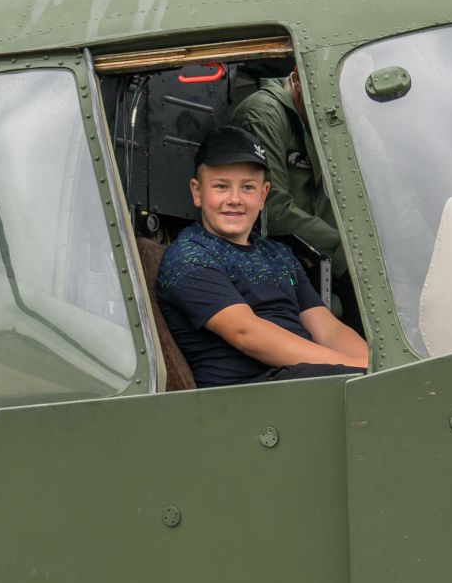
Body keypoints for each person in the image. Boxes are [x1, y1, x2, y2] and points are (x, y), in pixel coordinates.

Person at [156, 125, 367, 388]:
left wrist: (379, 366)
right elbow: (247, 334)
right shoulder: (190, 256)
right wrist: (352, 369)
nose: (235, 199)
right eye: (221, 187)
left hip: (300, 383)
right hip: (246, 395)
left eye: (247, 188)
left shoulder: (279, 254)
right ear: (197, 192)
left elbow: (328, 328)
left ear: (263, 194)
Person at [227, 67, 346, 280]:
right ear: (298, 81)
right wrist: (347, 252)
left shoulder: (333, 119)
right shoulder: (263, 114)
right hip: (268, 268)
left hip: (314, 268)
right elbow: (270, 209)